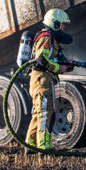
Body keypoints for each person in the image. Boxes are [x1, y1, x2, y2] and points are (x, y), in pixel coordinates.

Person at [27, 8, 75, 151]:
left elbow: (52, 59)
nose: (64, 27)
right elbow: (41, 59)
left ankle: (30, 145)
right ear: (55, 23)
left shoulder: (52, 39)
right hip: (41, 80)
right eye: (62, 24)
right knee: (44, 112)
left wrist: (68, 64)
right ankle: (44, 145)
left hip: (45, 79)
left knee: (39, 112)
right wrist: (59, 69)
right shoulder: (46, 37)